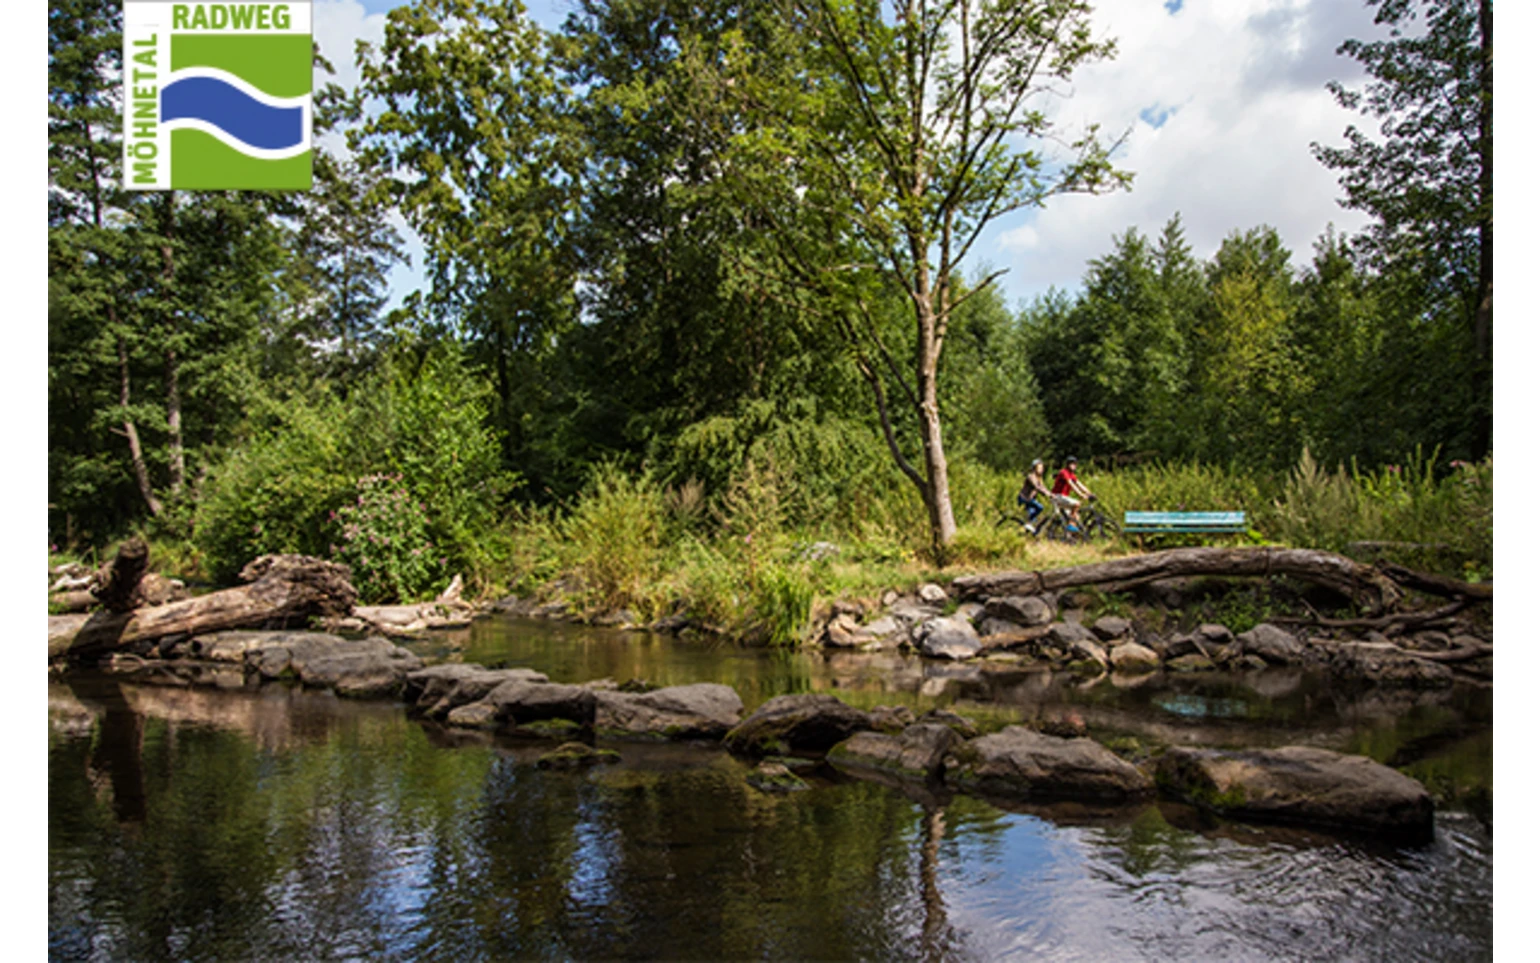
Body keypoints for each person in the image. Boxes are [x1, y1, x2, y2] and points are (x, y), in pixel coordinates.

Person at [1051, 455, 1093, 528]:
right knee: (1077, 504)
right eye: (1072, 464)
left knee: (1076, 517)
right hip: (1056, 496)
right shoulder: (1064, 472)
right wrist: (1081, 494)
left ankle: (1069, 535)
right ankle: (1071, 525)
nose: (1074, 466)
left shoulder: (1072, 475)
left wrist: (1089, 493)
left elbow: (1079, 484)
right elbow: (1071, 484)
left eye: (1075, 464)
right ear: (1068, 464)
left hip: (1063, 497)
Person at [1017, 459, 1052, 533]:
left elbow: (1043, 487)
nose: (1041, 470)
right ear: (1034, 468)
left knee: (1033, 519)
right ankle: (1028, 523)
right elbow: (1037, 487)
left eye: (1042, 468)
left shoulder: (1039, 478)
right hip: (1025, 498)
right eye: (1039, 468)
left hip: (1030, 499)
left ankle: (1028, 534)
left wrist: (1051, 494)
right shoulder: (1031, 476)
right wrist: (1046, 493)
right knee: (1040, 507)